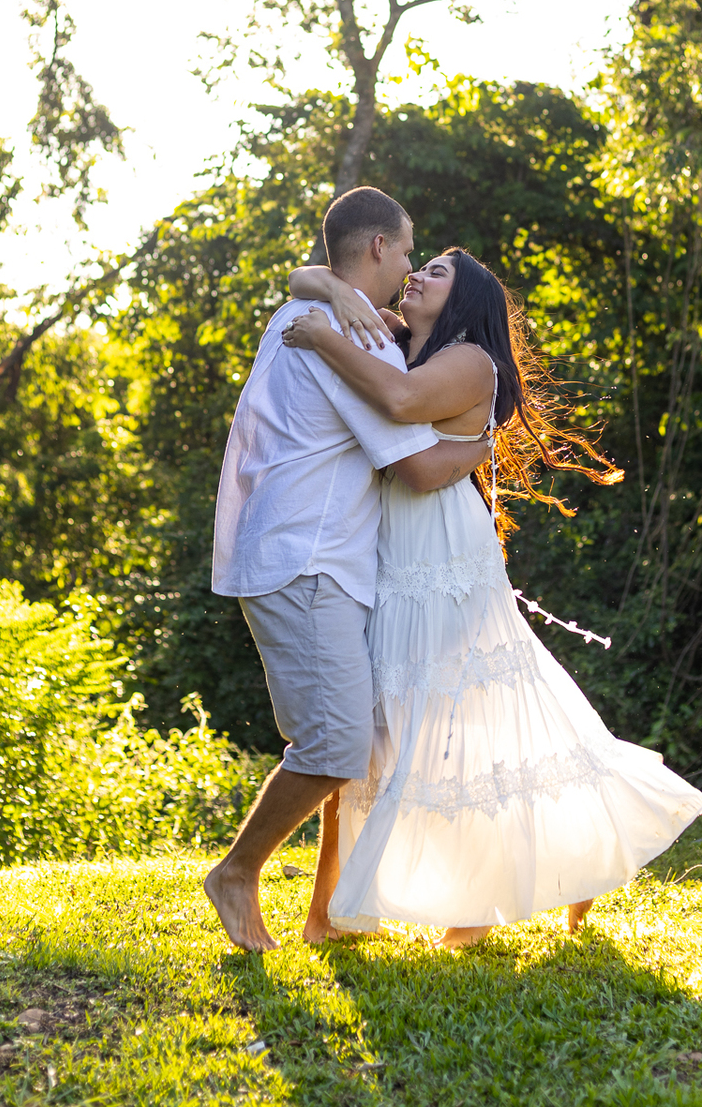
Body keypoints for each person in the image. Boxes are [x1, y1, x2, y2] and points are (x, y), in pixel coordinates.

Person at [282, 246, 702, 948]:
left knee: (460, 724)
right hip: (389, 554)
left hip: (444, 558)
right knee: (377, 734)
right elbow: (303, 279)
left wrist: (325, 334)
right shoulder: (391, 339)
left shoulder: (471, 361)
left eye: (438, 274)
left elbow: (398, 408)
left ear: (464, 302)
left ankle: (474, 906)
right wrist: (330, 290)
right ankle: (331, 914)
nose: (418, 275)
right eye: (419, 267)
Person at [204, 190, 490, 953]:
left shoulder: (310, 311)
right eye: (404, 251)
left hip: (309, 558)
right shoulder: (351, 334)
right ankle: (237, 872)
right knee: (335, 746)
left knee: (362, 744)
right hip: (307, 562)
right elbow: (419, 467)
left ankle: (332, 913)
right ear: (374, 251)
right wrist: (483, 447)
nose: (407, 265)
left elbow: (310, 281)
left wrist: (322, 282)